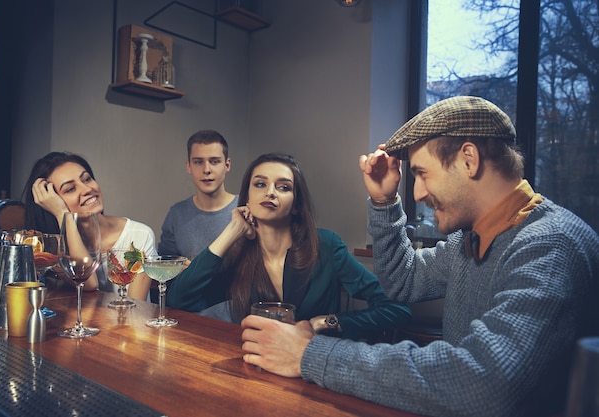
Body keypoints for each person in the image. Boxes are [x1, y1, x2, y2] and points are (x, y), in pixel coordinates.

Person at [239, 97, 599, 417]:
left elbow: (484, 384)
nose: (418, 192)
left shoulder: (550, 245)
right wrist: (383, 202)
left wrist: (310, 355)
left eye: (423, 173)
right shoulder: (470, 239)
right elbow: (401, 283)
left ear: (468, 160)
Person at [167, 152, 411, 341]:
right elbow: (179, 300)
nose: (270, 192)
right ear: (247, 198)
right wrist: (231, 232)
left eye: (283, 187)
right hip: (255, 369)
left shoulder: (325, 245)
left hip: (313, 369)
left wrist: (325, 323)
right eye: (260, 184)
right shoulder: (239, 256)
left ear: (295, 204)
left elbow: (396, 309)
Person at [21, 151, 157, 300]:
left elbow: (135, 309)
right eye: (70, 189)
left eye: (87, 179)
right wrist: (62, 214)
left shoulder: (139, 234)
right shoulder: (56, 244)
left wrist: (63, 214)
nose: (87, 189)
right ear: (50, 202)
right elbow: (88, 282)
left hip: (127, 323)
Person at [158, 130, 238, 260]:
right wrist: (177, 268)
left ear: (227, 165)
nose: (206, 170)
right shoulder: (176, 214)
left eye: (214, 161)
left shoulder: (245, 208)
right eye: (198, 162)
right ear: (188, 166)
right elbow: (164, 264)